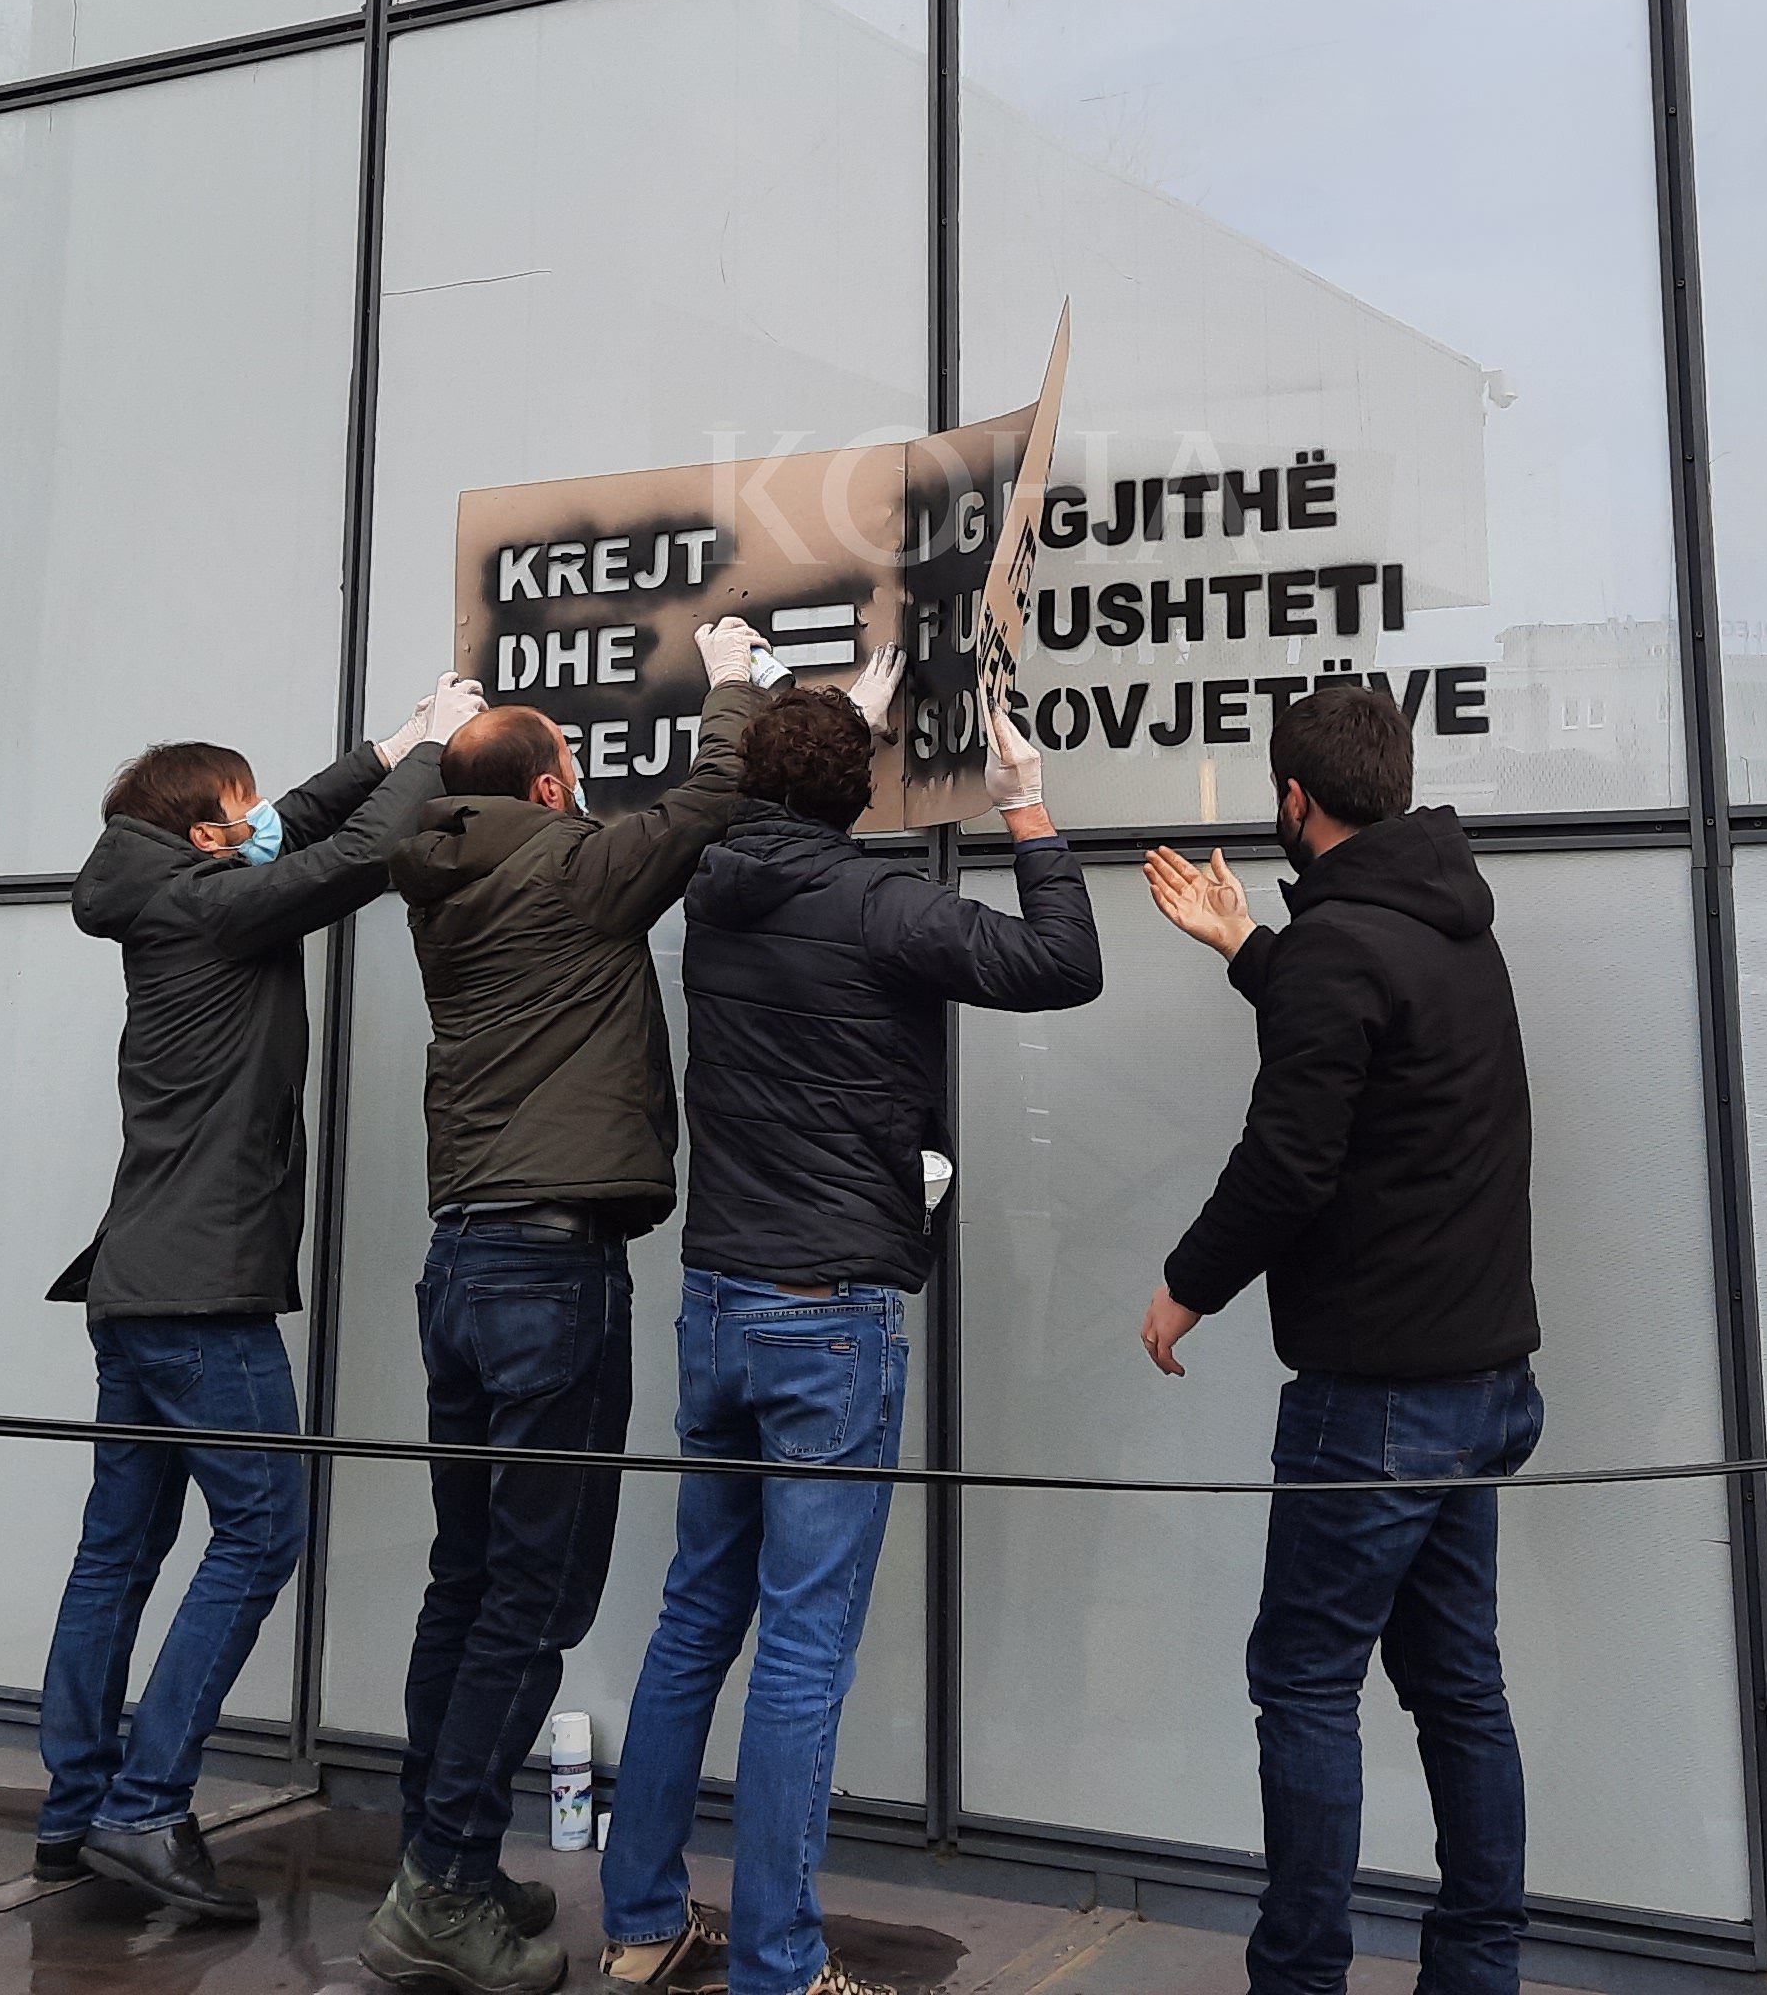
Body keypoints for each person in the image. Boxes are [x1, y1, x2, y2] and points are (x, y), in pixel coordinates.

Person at [602, 665, 1102, 1995]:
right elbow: (1065, 965)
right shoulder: (879, 903)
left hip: (719, 1298)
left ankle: (641, 1924)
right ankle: (779, 1965)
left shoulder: (713, 891)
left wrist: (836, 727)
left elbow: (781, 814)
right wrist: (1025, 803)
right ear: (863, 791)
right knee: (803, 1645)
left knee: (693, 1622)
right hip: (827, 1316)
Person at [365, 619, 770, 1995]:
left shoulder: (436, 876)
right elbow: (712, 798)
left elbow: (421, 810)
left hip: (464, 1266)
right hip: (550, 1275)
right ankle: (442, 1891)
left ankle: (439, 1862)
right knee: (532, 1600)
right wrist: (731, 681)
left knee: (467, 1578)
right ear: (548, 788)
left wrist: (421, 745)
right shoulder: (571, 866)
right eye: (575, 772)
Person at [42, 674, 485, 1919]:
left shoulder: (172, 889)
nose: (256, 823)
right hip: (201, 1294)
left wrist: (390, 745)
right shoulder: (211, 908)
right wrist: (441, 752)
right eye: (234, 812)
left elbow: (292, 822)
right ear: (202, 834)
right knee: (260, 1532)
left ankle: (75, 1809)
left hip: (136, 1286)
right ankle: (145, 1810)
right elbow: (361, 856)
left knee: (117, 1551)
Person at [1136, 685, 1542, 1995]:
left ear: (1294, 799)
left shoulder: (1341, 948)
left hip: (1375, 1402)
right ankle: (1476, 1973)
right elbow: (1372, 1041)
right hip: (1480, 1383)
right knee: (1458, 1689)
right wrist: (1249, 947)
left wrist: (1185, 1286)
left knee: (1306, 1685)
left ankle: (1299, 1979)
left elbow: (1290, 1162)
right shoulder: (1452, 927)